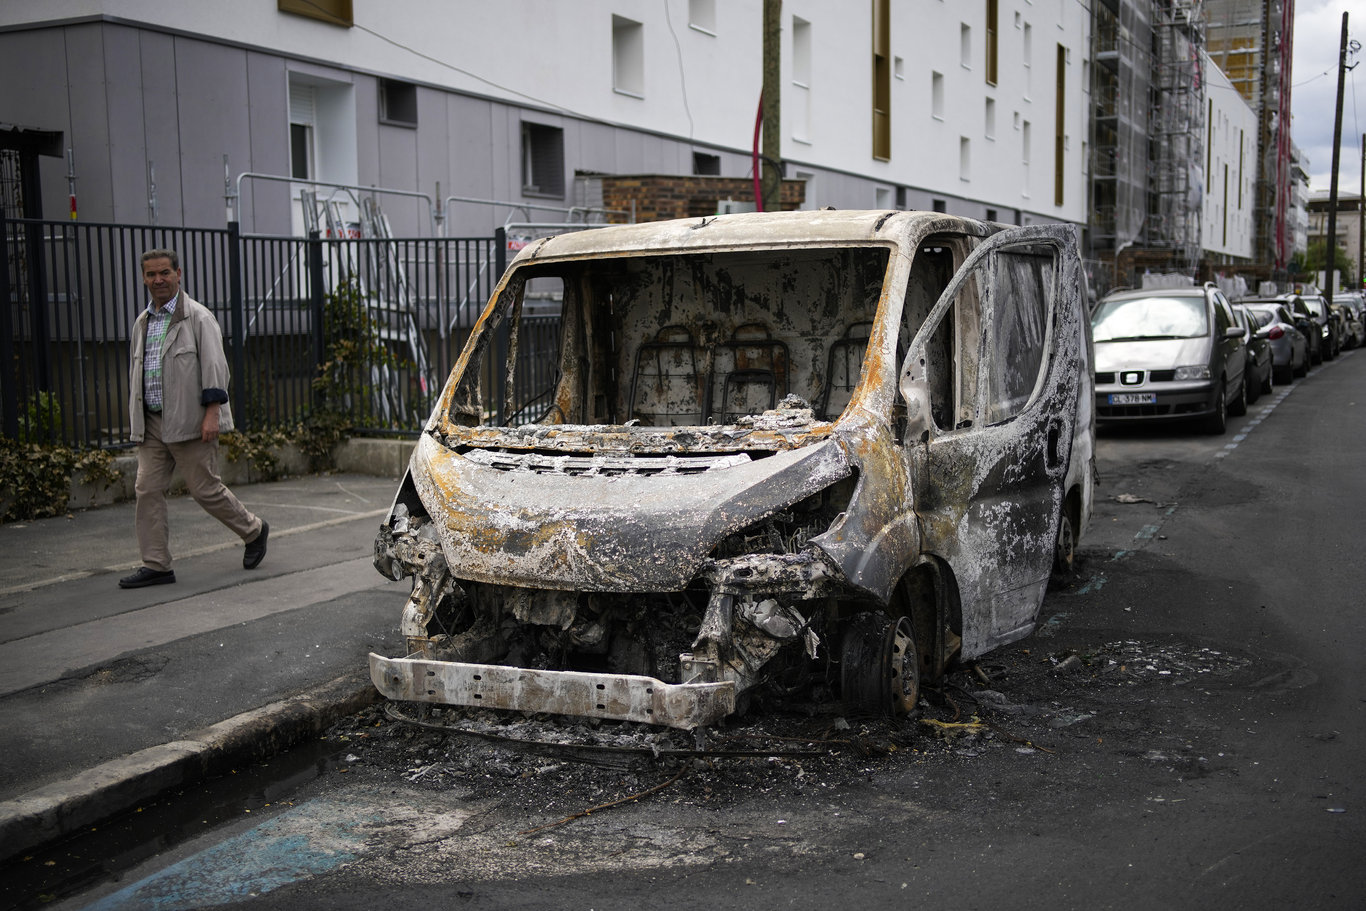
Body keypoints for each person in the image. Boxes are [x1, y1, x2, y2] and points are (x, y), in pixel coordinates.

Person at [118, 249, 268, 589]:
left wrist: (212, 413)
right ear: (144, 278)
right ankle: (156, 565)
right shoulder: (143, 322)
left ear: (178, 274)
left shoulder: (198, 318)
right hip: (152, 423)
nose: (158, 280)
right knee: (146, 489)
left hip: (190, 420)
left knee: (205, 490)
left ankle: (254, 530)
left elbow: (216, 367)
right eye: (151, 274)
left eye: (164, 273)